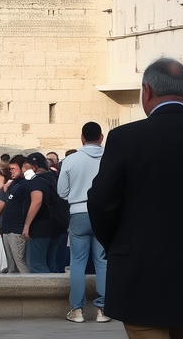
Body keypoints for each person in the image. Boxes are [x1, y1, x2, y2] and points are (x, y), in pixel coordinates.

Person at [88, 58, 183, 338]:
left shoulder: (125, 138)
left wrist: (119, 244)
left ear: (146, 91)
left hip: (142, 271)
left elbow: (100, 202)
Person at [57, 122, 108, 324]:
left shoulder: (71, 160)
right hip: (103, 214)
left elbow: (62, 192)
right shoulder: (110, 157)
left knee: (77, 262)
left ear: (82, 138)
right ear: (101, 137)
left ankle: (77, 310)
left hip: (78, 211)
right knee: (102, 261)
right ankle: (102, 310)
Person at [22, 152, 65, 274]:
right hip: (57, 225)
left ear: (34, 166)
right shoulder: (53, 177)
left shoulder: (37, 181)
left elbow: (37, 201)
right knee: (51, 262)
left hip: (41, 227)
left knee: (37, 265)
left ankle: (45, 292)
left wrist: (27, 226)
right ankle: (56, 291)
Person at [0, 155, 30, 274]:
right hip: (7, 228)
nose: (11, 171)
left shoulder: (26, 184)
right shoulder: (13, 184)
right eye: (10, 169)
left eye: (13, 169)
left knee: (20, 262)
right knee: (11, 266)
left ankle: (30, 289)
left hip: (17, 229)